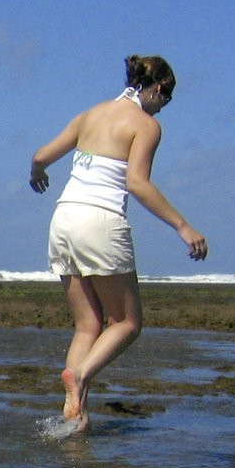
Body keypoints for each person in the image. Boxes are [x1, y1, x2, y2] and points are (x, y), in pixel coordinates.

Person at [28, 55, 207, 431]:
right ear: (158, 88)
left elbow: (41, 155)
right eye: (167, 98)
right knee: (126, 323)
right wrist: (183, 227)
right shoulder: (146, 125)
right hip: (100, 221)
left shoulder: (91, 114)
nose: (165, 106)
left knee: (88, 326)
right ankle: (81, 377)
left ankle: (74, 417)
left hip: (63, 220)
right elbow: (137, 183)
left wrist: (38, 173)